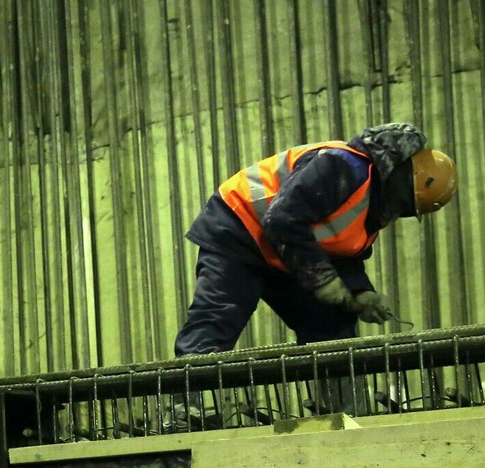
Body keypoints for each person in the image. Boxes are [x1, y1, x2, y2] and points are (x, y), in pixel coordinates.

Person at [173, 124, 457, 389]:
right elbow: (283, 218)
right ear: (400, 174)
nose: (400, 212)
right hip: (240, 232)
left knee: (334, 326)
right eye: (406, 203)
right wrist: (322, 279)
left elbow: (342, 251)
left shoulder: (374, 203)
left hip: (288, 252)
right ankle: (186, 409)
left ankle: (342, 414)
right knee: (217, 320)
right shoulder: (343, 166)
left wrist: (360, 292)